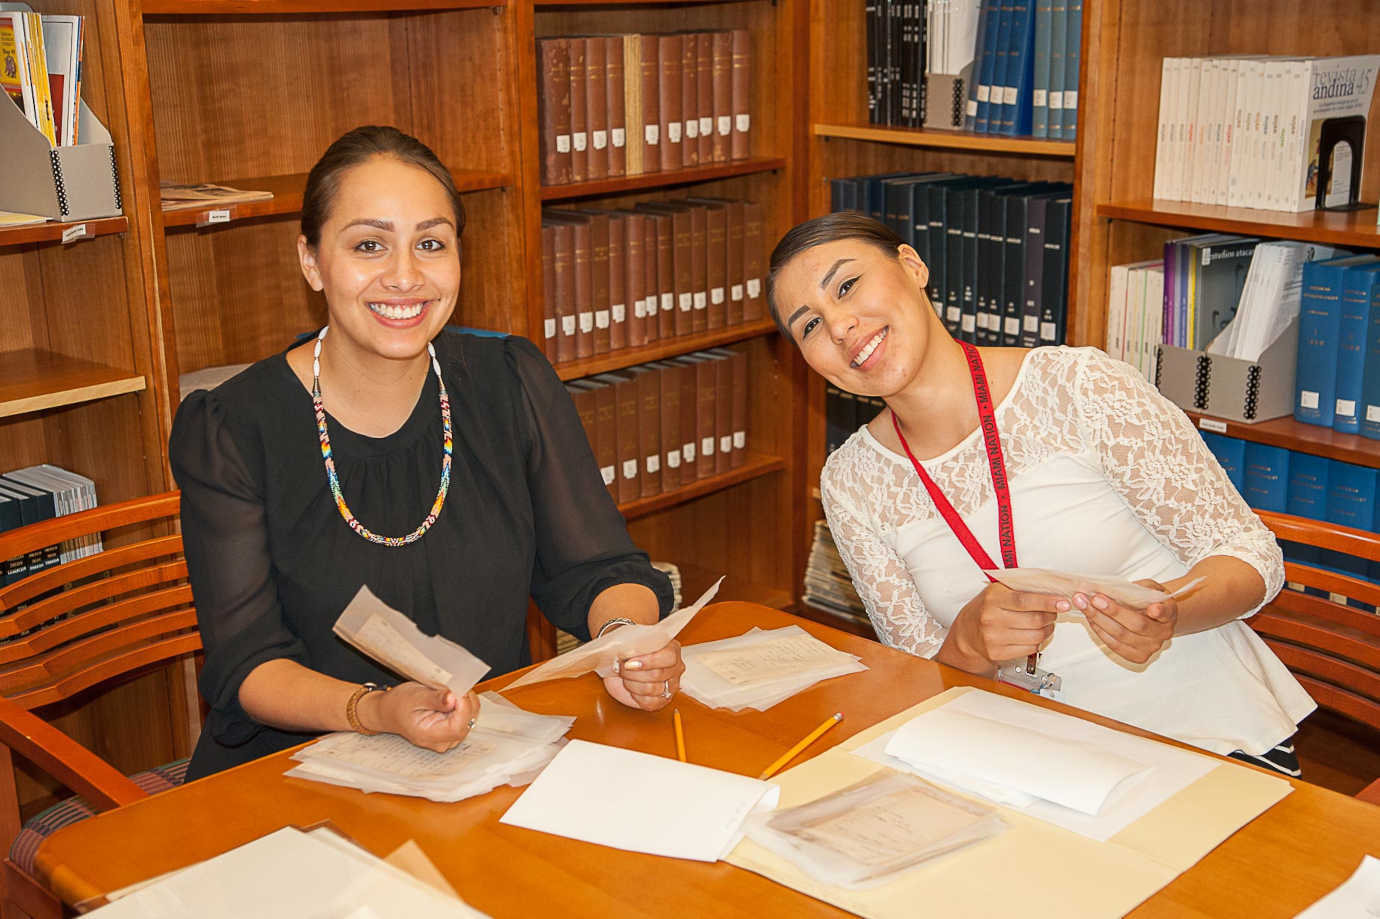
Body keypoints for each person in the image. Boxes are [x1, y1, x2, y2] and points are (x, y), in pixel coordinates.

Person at [171, 126, 681, 779]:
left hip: (484, 760)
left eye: (431, 244)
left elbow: (600, 568)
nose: (406, 276)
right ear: (311, 260)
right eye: (369, 245)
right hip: (298, 773)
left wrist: (625, 642)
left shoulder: (510, 380)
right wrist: (376, 710)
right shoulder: (233, 426)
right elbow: (248, 664)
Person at [767, 212, 1315, 773]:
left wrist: (1172, 611)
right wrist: (968, 646)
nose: (839, 327)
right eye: (809, 325)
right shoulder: (851, 482)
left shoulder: (1079, 386)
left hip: (1200, 738)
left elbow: (1252, 557)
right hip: (1026, 761)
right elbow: (920, 675)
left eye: (847, 285)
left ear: (911, 266)